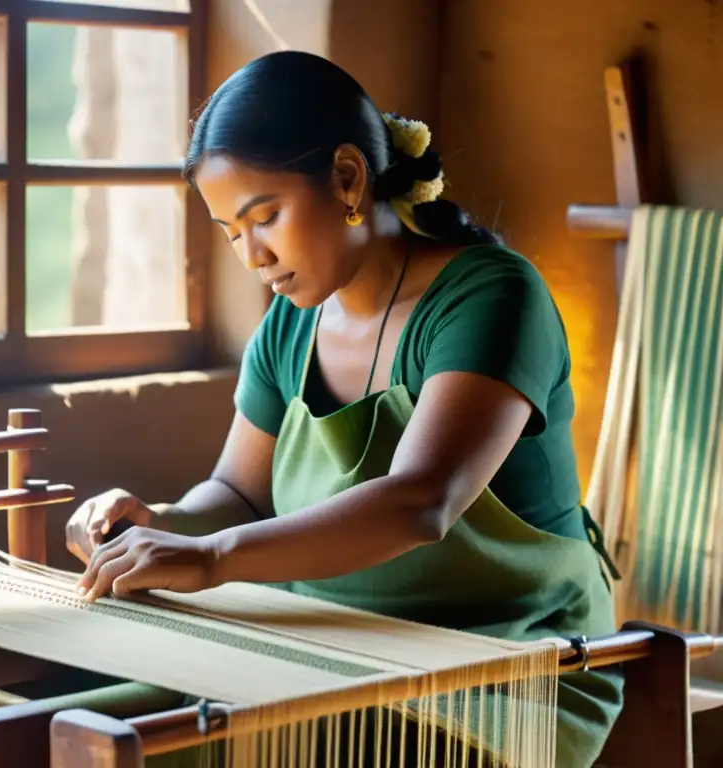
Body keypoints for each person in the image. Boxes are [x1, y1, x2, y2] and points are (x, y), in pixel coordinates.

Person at [64, 50, 623, 767]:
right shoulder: (289, 326)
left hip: (506, 668)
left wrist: (208, 559)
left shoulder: (490, 296)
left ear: (349, 178)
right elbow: (238, 491)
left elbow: (423, 501)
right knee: (107, 719)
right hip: (336, 641)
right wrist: (157, 522)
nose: (252, 255)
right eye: (232, 232)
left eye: (264, 216)